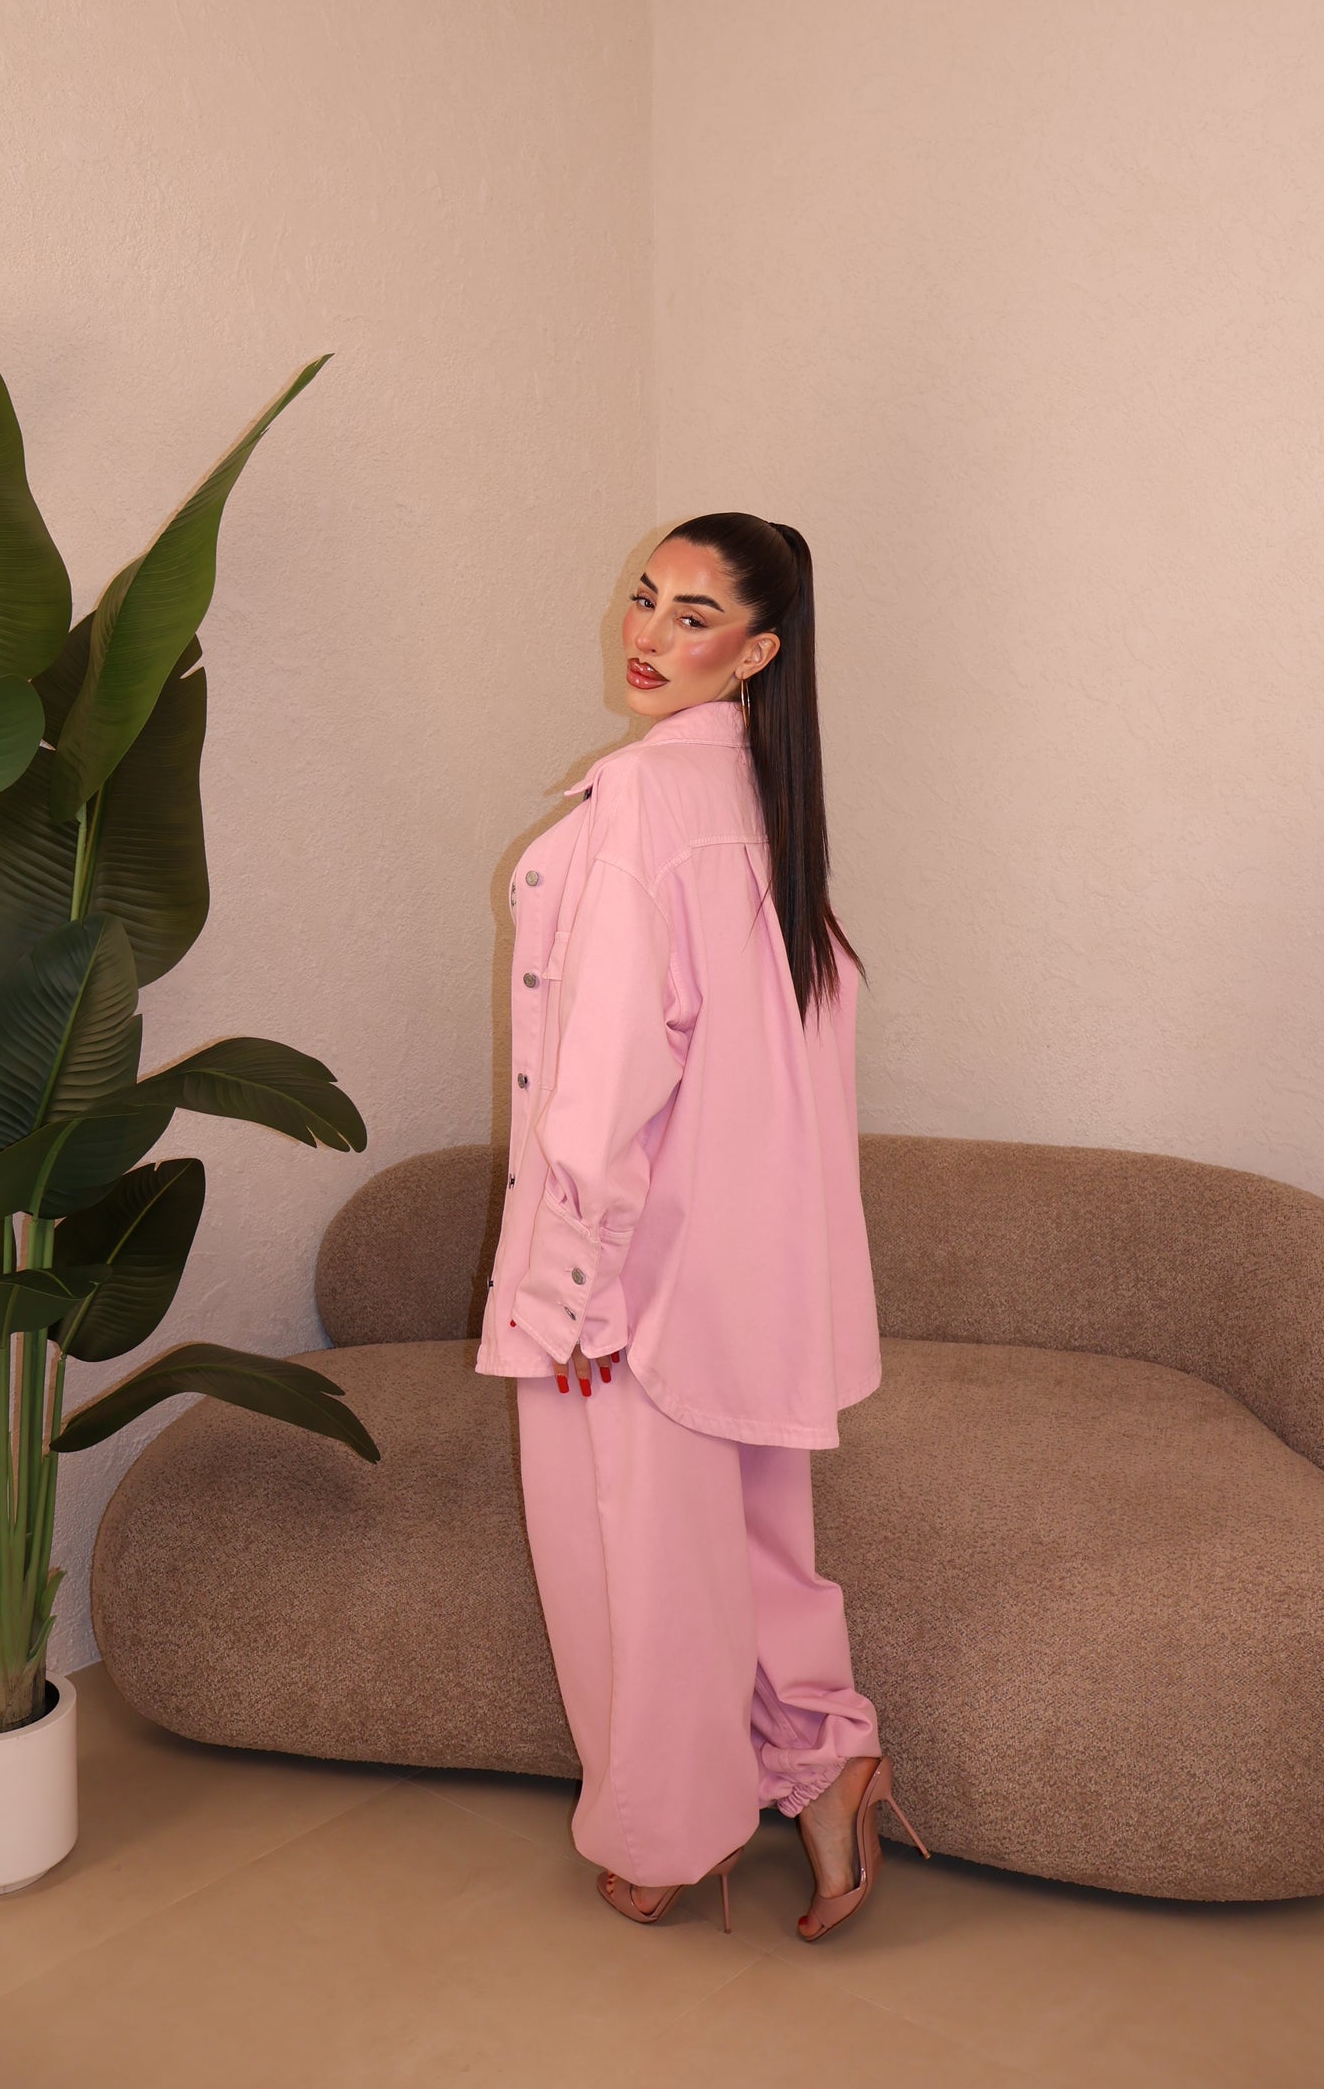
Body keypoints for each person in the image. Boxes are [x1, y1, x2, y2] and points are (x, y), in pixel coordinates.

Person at [476, 512, 927, 1940]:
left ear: (757, 650)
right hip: (750, 1277)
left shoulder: (641, 806)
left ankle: (671, 1833)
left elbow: (609, 1077)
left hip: (637, 1282)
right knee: (757, 1541)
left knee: (638, 1567)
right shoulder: (766, 808)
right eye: (645, 597)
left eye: (692, 615)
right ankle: (830, 1764)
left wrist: (569, 1286)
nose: (649, 634)